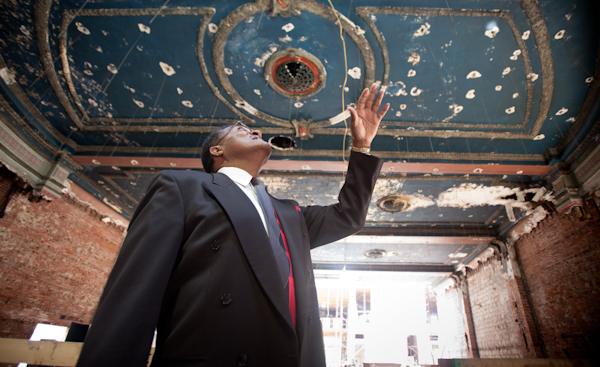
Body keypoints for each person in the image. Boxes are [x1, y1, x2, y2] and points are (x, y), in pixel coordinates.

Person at [76, 83, 390, 367]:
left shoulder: (290, 213)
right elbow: (134, 294)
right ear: (217, 151)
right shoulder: (181, 187)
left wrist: (361, 147)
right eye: (239, 128)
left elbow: (348, 216)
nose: (252, 129)